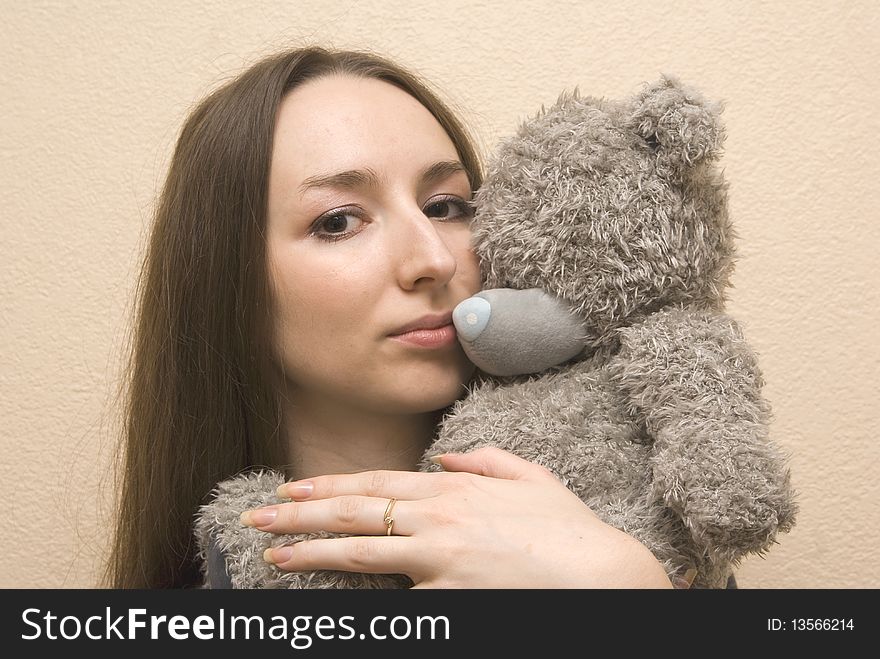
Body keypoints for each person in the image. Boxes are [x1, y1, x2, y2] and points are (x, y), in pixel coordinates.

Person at [106, 46, 674, 589]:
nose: (433, 258)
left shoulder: (647, 531)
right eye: (338, 222)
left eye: (446, 207)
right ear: (228, 281)